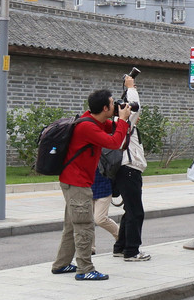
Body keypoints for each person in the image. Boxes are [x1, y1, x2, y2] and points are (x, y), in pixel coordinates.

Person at [51, 89, 131, 281]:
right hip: (77, 182)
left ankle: (61, 264)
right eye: (112, 104)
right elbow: (114, 142)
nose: (115, 106)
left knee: (72, 225)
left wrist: (121, 119)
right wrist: (122, 120)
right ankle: (85, 269)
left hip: (74, 181)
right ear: (105, 108)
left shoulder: (91, 120)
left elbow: (110, 131)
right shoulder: (87, 127)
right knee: (84, 226)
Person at [112, 75, 149, 261]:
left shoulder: (115, 125)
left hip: (124, 170)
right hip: (129, 170)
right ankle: (132, 251)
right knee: (136, 212)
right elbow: (135, 105)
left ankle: (120, 247)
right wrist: (130, 86)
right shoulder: (123, 124)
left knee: (130, 210)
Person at [90, 169, 119, 255]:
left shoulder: (103, 155)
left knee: (100, 219)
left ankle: (121, 237)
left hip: (103, 188)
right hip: (87, 189)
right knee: (87, 221)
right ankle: (90, 248)